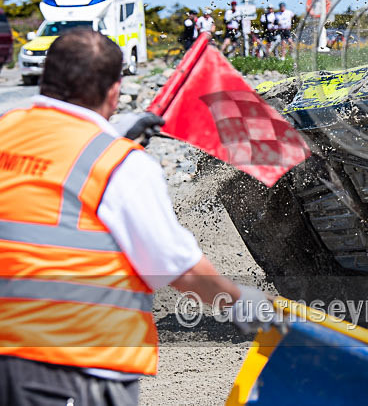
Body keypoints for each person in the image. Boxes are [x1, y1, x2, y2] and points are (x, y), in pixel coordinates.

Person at [0, 29, 270, 405]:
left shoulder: (7, 128)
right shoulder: (120, 166)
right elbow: (176, 268)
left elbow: (47, 171)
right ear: (114, 90)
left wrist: (109, 134)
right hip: (76, 364)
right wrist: (239, 301)